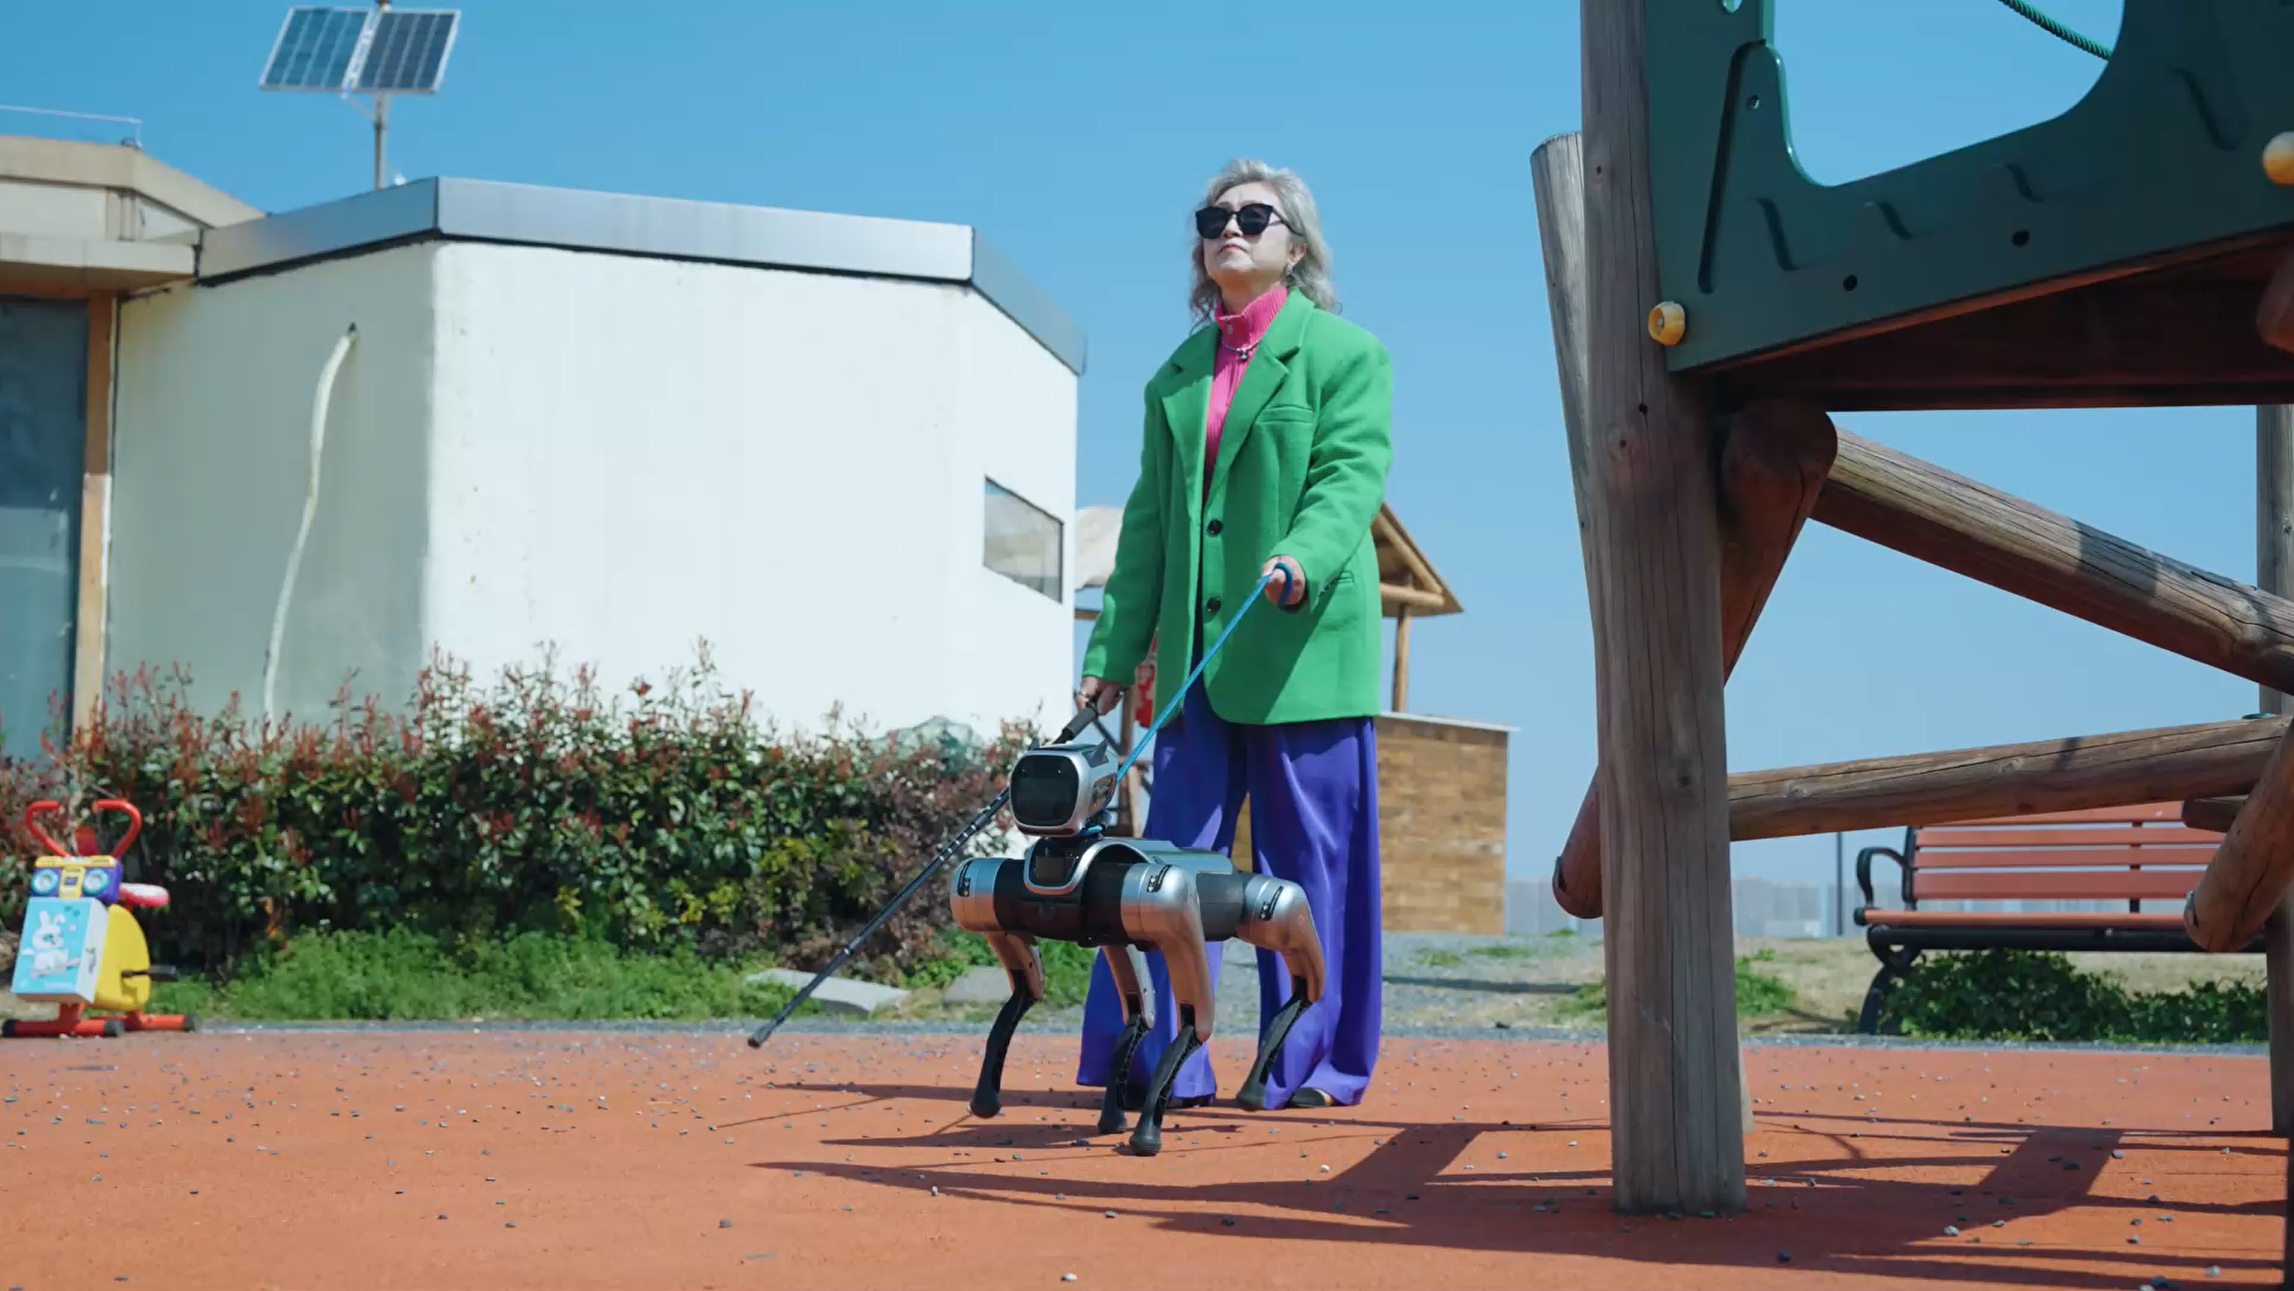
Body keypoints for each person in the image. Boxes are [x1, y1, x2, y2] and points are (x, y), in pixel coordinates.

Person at [1073, 158, 1392, 1112]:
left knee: (1308, 873)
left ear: (1297, 249)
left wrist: (1303, 555)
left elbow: (1348, 479)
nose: (1230, 231)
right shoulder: (1173, 380)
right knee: (1163, 868)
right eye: (1214, 218)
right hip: (1195, 663)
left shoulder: (1346, 355)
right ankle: (1160, 1056)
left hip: (1302, 645)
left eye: (1255, 217)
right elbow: (1147, 532)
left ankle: (1310, 1067)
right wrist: (1110, 655)